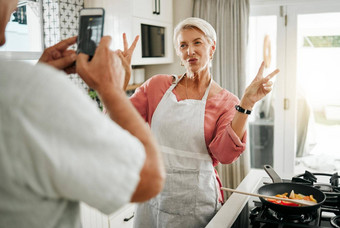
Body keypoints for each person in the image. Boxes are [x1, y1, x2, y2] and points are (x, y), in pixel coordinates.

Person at [0, 1, 165, 228]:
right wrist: (111, 89)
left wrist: (40, 75)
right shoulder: (29, 90)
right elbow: (148, 177)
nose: (16, 5)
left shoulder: (20, 89)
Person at [119, 17, 279, 228]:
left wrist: (247, 102)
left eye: (197, 42)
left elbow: (225, 154)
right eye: (183, 45)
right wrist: (117, 83)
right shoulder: (156, 86)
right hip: (152, 194)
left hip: (195, 202)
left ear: (211, 48)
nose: (190, 51)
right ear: (178, 52)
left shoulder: (227, 102)